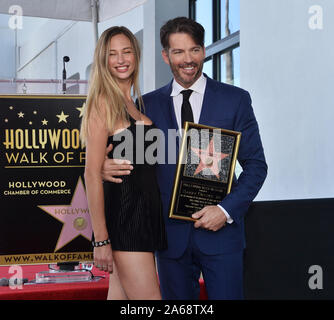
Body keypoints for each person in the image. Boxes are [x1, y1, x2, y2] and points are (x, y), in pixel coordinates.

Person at [102, 17, 267, 300]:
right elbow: (132, 163)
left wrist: (225, 211)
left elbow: (256, 167)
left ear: (203, 51)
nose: (187, 59)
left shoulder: (235, 99)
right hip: (169, 238)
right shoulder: (146, 105)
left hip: (222, 237)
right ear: (166, 56)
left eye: (194, 50)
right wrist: (105, 167)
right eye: (178, 52)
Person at [80, 26, 167, 300]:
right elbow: (92, 175)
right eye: (112, 54)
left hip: (144, 218)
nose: (121, 59)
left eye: (126, 51)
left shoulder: (134, 103)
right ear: (103, 60)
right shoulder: (103, 102)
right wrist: (101, 240)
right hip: (126, 221)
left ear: (136, 55)